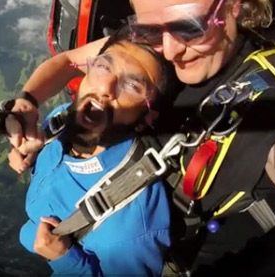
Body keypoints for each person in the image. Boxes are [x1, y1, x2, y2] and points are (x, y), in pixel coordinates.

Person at [0, 0, 275, 275]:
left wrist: (68, 262)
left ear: (234, 5)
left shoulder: (273, 107)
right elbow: (69, 62)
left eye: (190, 27)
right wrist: (29, 104)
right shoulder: (153, 38)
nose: (170, 50)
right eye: (150, 27)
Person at [15, 33, 176, 275]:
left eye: (132, 85)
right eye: (103, 66)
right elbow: (66, 62)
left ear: (145, 120)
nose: (105, 87)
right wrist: (33, 152)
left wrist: (65, 260)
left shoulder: (130, 229)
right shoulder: (61, 120)